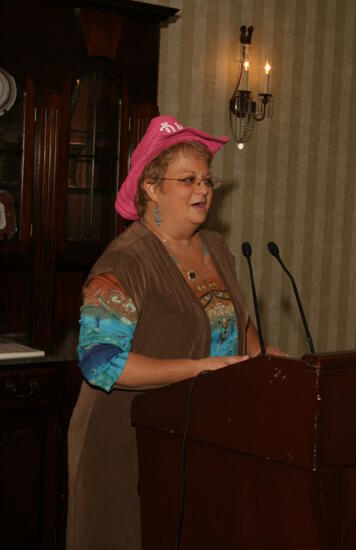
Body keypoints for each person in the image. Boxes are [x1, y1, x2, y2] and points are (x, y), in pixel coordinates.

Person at [66, 115, 282, 550]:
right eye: (188, 180)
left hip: (196, 437)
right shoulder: (125, 262)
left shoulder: (217, 247)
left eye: (206, 179)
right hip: (121, 444)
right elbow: (100, 362)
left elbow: (233, 318)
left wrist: (261, 360)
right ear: (151, 187)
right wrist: (203, 369)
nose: (203, 190)